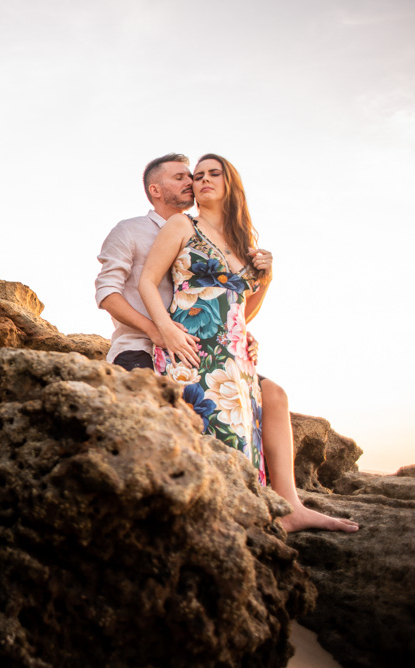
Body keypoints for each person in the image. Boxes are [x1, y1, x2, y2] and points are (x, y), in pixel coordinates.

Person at [96, 153, 357, 533]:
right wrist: (159, 329)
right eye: (183, 177)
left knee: (273, 395)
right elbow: (109, 293)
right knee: (159, 413)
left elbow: (234, 306)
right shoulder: (135, 230)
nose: (193, 181)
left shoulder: (231, 239)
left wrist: (249, 315)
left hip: (213, 343)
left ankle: (288, 505)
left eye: (201, 175)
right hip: (143, 342)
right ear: (155, 189)